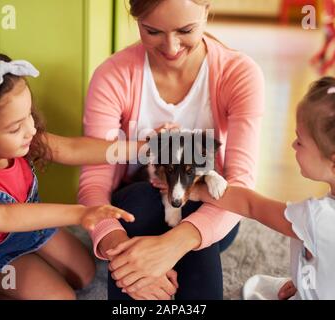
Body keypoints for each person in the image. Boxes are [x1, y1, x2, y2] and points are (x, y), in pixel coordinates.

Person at [79, 0, 264, 299]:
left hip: (210, 208)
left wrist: (174, 244)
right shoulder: (113, 75)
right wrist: (118, 250)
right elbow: (94, 183)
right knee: (140, 200)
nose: (171, 47)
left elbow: (240, 185)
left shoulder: (238, 74)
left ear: (207, 9)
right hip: (135, 207)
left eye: (186, 30)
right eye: (152, 31)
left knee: (192, 198)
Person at [0, 51, 141, 300]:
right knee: (61, 297)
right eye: (15, 127)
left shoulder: (25, 141)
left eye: (28, 114)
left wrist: (143, 148)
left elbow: (75, 149)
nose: (31, 129)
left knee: (87, 272)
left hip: (34, 226)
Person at [191, 66, 335, 299]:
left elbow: (251, 205)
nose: (293, 146)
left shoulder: (317, 218)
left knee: (252, 290)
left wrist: (197, 190)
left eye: (300, 141)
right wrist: (307, 280)